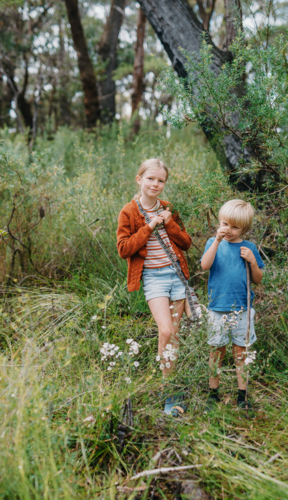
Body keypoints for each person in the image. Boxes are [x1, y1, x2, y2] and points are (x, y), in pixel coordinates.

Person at [117, 158, 192, 416]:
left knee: (176, 335)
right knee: (166, 331)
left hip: (176, 276)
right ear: (139, 179)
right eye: (150, 178)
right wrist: (149, 226)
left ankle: (174, 389)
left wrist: (168, 222)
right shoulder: (129, 212)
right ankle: (168, 391)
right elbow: (124, 249)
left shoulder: (169, 208)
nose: (155, 184)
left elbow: (185, 243)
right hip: (154, 279)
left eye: (161, 180)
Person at [201, 199, 265, 411]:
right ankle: (213, 393)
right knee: (216, 351)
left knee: (241, 352)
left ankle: (242, 396)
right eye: (225, 223)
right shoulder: (213, 243)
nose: (228, 229)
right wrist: (217, 242)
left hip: (242, 309)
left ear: (244, 228)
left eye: (235, 226)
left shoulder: (249, 247)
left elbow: (258, 279)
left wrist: (253, 262)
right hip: (217, 307)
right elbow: (204, 265)